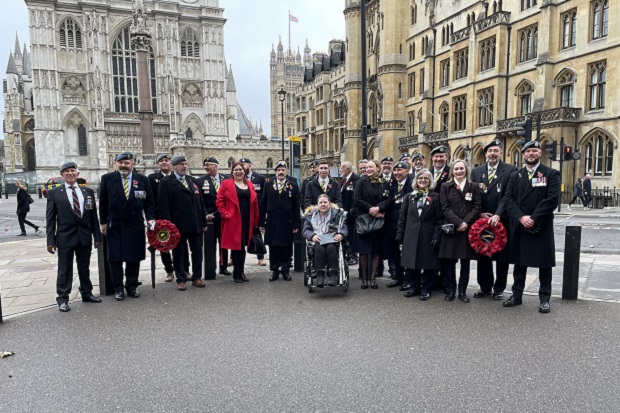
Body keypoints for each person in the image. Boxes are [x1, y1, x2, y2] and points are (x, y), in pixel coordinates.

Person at [502, 140, 561, 314]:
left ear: (540, 153)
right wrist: (521, 217)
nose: (531, 154)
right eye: (528, 152)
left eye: (534, 151)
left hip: (540, 225)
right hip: (521, 225)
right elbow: (508, 199)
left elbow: (552, 200)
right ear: (523, 155)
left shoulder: (551, 174)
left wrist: (534, 218)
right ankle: (517, 295)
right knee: (520, 264)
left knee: (544, 265)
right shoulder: (516, 175)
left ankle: (544, 299)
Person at [46, 162, 102, 312]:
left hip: (84, 236)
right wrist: (50, 240)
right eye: (66, 171)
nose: (70, 173)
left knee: (84, 267)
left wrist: (97, 236)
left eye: (72, 170)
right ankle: (63, 298)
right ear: (62, 175)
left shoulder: (88, 192)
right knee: (65, 269)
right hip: (65, 237)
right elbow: (50, 219)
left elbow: (93, 216)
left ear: (77, 173)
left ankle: (86, 293)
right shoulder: (55, 193)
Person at [98, 151, 155, 301]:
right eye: (121, 162)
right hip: (115, 224)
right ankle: (118, 288)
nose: (123, 165)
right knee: (115, 258)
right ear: (115, 163)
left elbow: (149, 203)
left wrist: (150, 219)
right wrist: (103, 222)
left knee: (133, 257)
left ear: (133, 164)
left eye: (127, 163)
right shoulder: (107, 179)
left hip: (134, 224)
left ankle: (131, 286)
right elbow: (103, 203)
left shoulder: (142, 180)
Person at [471, 139, 517, 300]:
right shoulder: (477, 172)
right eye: (490, 151)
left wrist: (498, 214)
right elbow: (474, 197)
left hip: (501, 220)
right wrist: (480, 214)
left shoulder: (510, 170)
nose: (492, 154)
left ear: (501, 153)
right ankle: (485, 287)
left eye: (496, 151)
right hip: (482, 221)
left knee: (501, 258)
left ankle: (499, 289)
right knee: (482, 254)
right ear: (485, 154)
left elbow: (509, 196)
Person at [157, 155, 208, 291]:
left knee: (197, 252)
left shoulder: (193, 181)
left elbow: (201, 203)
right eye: (181, 164)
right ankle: (181, 279)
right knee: (179, 253)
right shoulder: (166, 182)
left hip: (196, 224)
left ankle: (197, 277)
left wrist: (204, 222)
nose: (184, 167)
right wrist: (167, 226)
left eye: (185, 164)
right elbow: (164, 206)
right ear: (174, 166)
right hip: (177, 225)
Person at [438, 159, 482, 303]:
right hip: (452, 228)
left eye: (461, 169)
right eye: (456, 169)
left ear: (466, 170)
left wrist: (465, 223)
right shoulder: (446, 186)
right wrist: (458, 222)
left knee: (465, 262)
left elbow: (477, 207)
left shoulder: (474, 186)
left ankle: (462, 291)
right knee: (450, 263)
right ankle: (451, 290)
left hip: (467, 229)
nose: (459, 171)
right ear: (452, 171)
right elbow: (445, 207)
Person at [396, 169, 443, 300]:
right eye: (420, 178)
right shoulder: (409, 197)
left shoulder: (435, 197)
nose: (422, 180)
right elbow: (402, 218)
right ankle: (414, 287)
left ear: (430, 181)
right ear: (416, 181)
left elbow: (440, 220)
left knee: (428, 264)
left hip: (428, 236)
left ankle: (426, 289)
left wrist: (436, 236)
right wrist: (400, 235)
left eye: (426, 178)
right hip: (410, 236)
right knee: (412, 264)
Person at [216, 162, 260, 283]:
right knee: (237, 246)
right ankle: (236, 273)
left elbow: (255, 203)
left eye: (240, 169)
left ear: (244, 171)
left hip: (247, 219)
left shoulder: (249, 184)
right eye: (236, 170)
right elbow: (219, 201)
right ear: (232, 172)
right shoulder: (226, 184)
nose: (239, 172)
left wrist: (256, 220)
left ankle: (241, 272)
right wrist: (225, 214)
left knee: (243, 246)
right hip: (233, 219)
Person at [352, 159, 391, 289]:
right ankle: (364, 278)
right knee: (363, 251)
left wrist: (379, 208)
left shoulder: (384, 183)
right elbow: (357, 199)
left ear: (378, 168)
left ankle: (373, 277)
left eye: (371, 167)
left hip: (379, 221)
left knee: (376, 251)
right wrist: (371, 209)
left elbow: (388, 199)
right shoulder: (360, 182)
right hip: (364, 220)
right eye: (366, 167)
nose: (368, 169)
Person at [260, 161, 300, 281]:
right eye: (278, 170)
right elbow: (263, 204)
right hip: (272, 222)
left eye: (283, 170)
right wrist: (261, 222)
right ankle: (275, 271)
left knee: (287, 247)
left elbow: (296, 206)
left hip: (287, 222)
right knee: (274, 247)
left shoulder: (293, 185)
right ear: (275, 172)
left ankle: (286, 271)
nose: (281, 172)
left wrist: (296, 224)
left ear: (286, 171)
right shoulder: (268, 185)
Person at [302, 194, 348, 287]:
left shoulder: (336, 214)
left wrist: (341, 234)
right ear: (317, 204)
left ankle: (333, 275)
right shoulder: (311, 216)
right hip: (317, 240)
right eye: (320, 202)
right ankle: (320, 276)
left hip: (332, 240)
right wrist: (312, 236)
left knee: (331, 248)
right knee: (319, 249)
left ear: (329, 204)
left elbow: (344, 228)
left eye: (325, 202)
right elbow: (305, 230)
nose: (323, 204)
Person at [196, 156, 231, 277]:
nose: (205, 167)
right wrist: (205, 214)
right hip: (209, 219)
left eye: (208, 164)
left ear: (215, 166)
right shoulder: (200, 181)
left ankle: (223, 267)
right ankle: (210, 271)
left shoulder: (226, 179)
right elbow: (200, 201)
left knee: (224, 244)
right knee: (210, 246)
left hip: (223, 218)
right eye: (205, 165)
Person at [384, 161, 413, 289]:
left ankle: (409, 280)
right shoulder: (392, 185)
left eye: (400, 170)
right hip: (392, 225)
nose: (396, 173)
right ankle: (399, 277)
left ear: (407, 171)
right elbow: (388, 202)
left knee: (407, 254)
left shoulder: (411, 184)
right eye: (395, 171)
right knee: (395, 253)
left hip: (407, 225)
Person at [147, 154, 176, 282]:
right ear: (157, 164)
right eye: (161, 161)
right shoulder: (152, 179)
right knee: (163, 245)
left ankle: (183, 269)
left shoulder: (177, 177)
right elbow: (150, 200)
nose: (164, 162)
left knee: (180, 245)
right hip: (161, 218)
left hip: (177, 216)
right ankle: (169, 270)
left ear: (170, 163)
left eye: (166, 160)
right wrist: (151, 218)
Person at [241, 157, 268, 266]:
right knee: (239, 235)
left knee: (257, 233)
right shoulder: (237, 177)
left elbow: (263, 196)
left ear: (250, 166)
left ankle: (260, 257)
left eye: (244, 165)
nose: (242, 168)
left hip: (256, 211)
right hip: (243, 211)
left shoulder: (259, 178)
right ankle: (233, 258)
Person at [339, 161, 359, 265]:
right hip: (343, 213)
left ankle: (353, 255)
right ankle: (348, 254)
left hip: (351, 214)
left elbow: (356, 197)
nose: (340, 169)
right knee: (346, 234)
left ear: (348, 169)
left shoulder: (355, 179)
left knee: (352, 234)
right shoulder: (342, 180)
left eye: (342, 168)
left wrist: (351, 210)